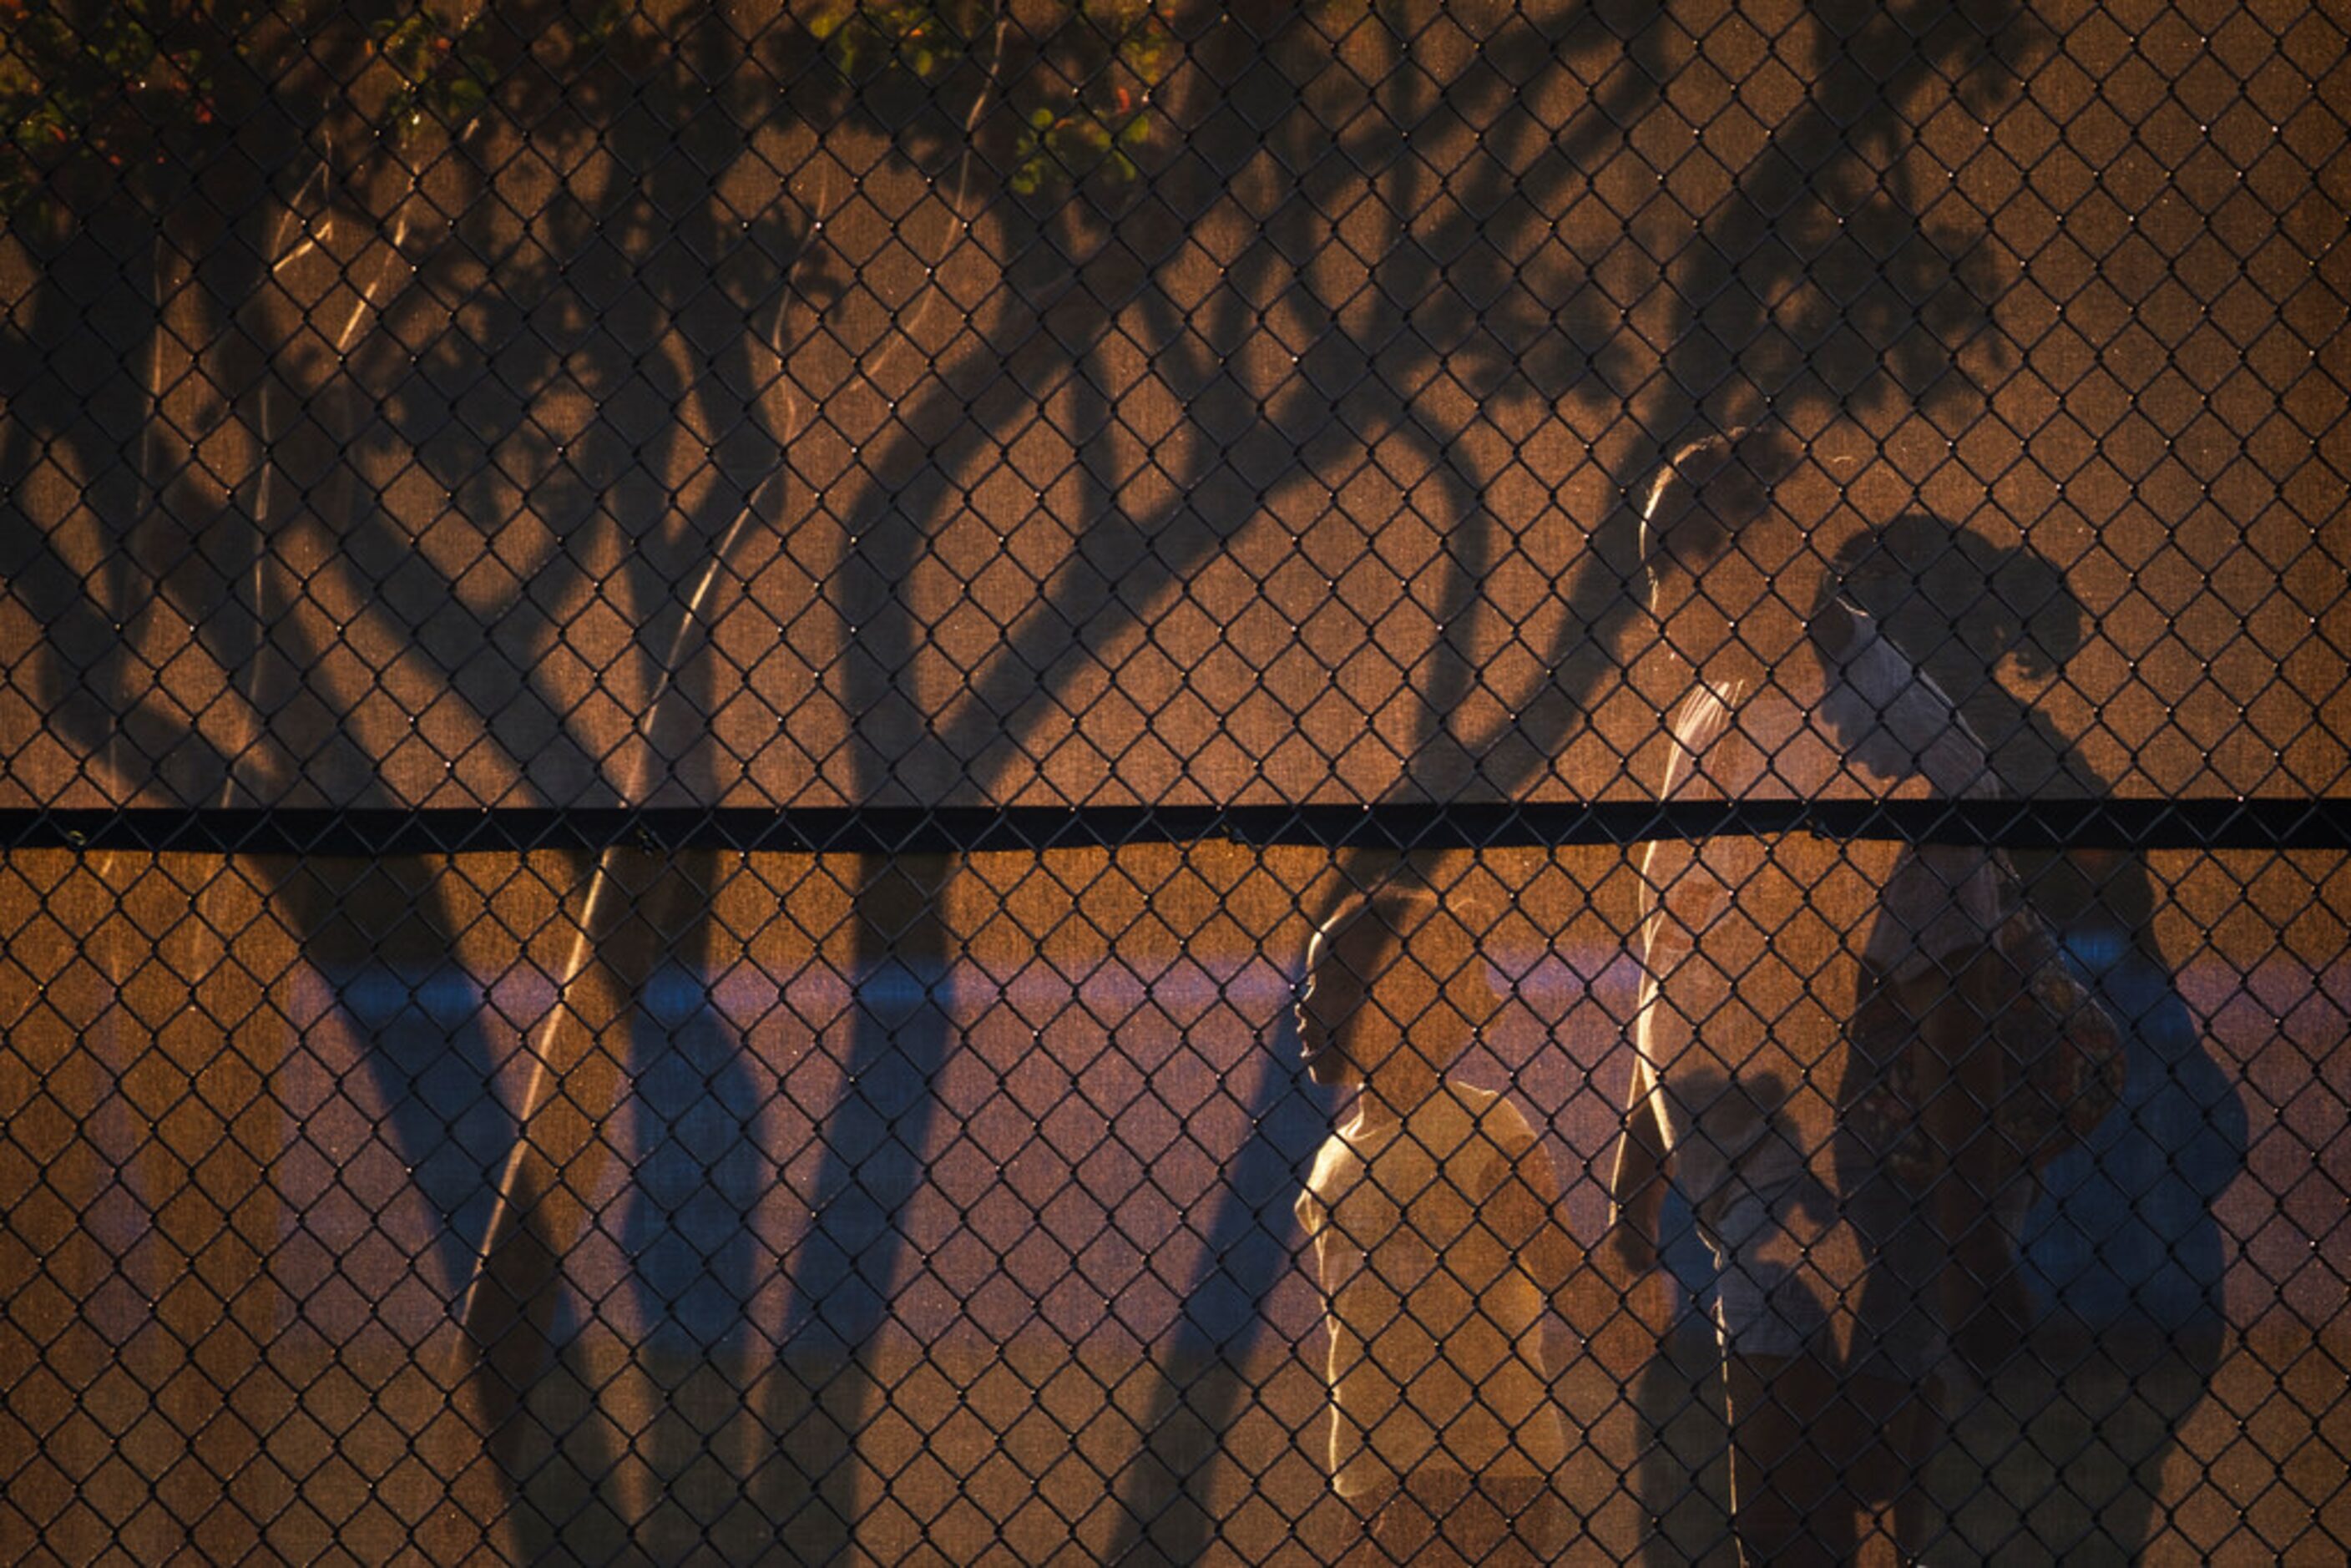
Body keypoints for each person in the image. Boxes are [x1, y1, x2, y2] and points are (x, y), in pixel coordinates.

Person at [1605, 427, 2027, 1563]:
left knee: (1830, 1498)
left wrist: (1970, 1236)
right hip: (1739, 1179)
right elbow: (1670, 957)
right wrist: (1637, 1181)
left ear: (1776, 551)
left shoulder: (1897, 731)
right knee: (1790, 1513)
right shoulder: (1714, 714)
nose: (1661, 602)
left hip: (1853, 1179)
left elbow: (1959, 998)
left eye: (1683, 562)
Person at [1291, 882, 1575, 1565]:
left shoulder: (1479, 1131)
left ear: (1401, 997)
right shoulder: (1335, 1156)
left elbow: (1564, 1269)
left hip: (1481, 1466)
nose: (1303, 1008)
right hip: (1371, 1468)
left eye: (1329, 983)